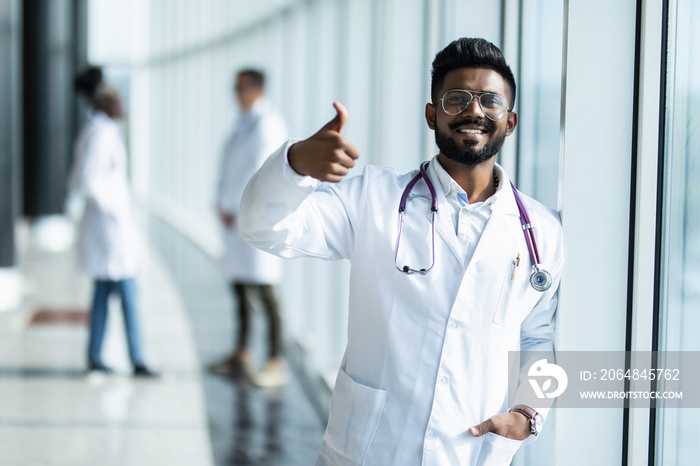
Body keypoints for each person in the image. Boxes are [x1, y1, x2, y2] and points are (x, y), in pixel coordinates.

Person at [239, 38, 564, 465]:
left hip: (470, 451)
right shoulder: (373, 198)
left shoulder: (541, 231)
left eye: (490, 101)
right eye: (456, 99)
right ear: (432, 115)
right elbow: (262, 227)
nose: (474, 111)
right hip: (372, 449)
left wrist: (528, 413)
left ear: (511, 120)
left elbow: (540, 336)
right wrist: (295, 165)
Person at [69, 75, 159, 378]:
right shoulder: (100, 135)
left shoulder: (101, 130)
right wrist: (115, 211)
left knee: (103, 293)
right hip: (109, 226)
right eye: (118, 101)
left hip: (108, 226)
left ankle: (95, 355)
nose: (124, 106)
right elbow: (87, 182)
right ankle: (137, 360)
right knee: (128, 294)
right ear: (105, 104)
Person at [209, 69, 290, 388]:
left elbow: (258, 170)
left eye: (239, 88)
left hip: (255, 215)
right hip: (237, 216)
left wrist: (235, 206)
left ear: (254, 89)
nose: (235, 94)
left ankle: (276, 360)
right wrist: (222, 203)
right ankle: (242, 354)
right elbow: (230, 166)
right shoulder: (246, 123)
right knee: (241, 286)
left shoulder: (268, 124)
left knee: (265, 289)